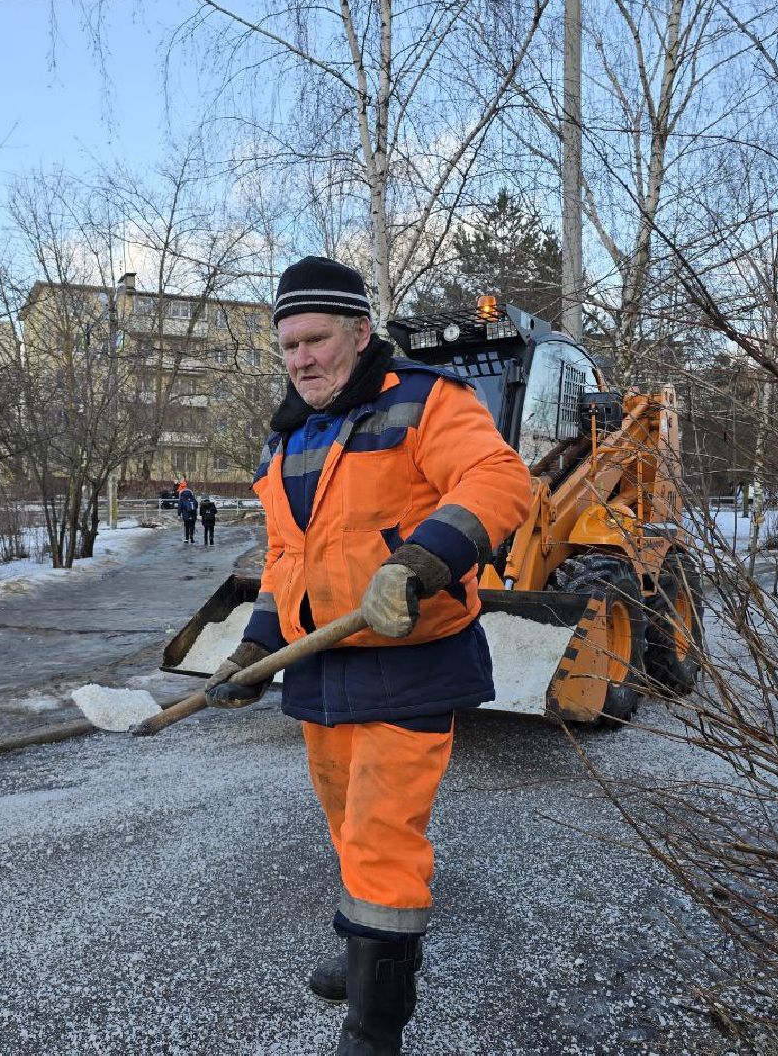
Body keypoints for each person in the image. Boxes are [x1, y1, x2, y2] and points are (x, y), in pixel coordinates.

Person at [202, 256, 533, 1055]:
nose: (302, 359)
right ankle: (368, 953)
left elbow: (499, 481)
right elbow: (289, 560)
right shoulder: (285, 441)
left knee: (383, 831)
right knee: (347, 823)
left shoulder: (426, 401)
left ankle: (375, 1029)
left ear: (359, 331)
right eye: (288, 346)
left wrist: (421, 562)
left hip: (411, 654)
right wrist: (255, 648)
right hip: (323, 663)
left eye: (316, 339)